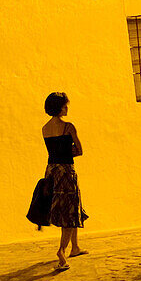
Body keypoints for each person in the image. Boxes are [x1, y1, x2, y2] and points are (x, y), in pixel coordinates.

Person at [42, 92, 88, 271]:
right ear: (59, 107)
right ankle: (62, 251)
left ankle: (75, 247)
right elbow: (80, 150)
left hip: (51, 171)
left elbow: (52, 152)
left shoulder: (44, 128)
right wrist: (68, 152)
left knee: (69, 207)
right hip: (66, 171)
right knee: (69, 212)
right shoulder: (68, 127)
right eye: (65, 105)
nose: (67, 108)